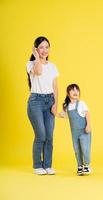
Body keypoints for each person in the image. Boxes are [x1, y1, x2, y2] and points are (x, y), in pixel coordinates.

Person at [26, 36, 59, 175]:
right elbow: (38, 72)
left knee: (49, 136)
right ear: (36, 49)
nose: (44, 50)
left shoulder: (53, 66)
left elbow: (55, 87)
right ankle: (37, 166)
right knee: (41, 134)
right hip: (36, 102)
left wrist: (56, 104)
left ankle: (48, 165)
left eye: (46, 47)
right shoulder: (31, 64)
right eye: (41, 47)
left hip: (49, 101)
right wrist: (36, 57)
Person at [57, 84, 92, 176]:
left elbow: (87, 113)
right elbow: (62, 115)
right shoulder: (66, 105)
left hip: (84, 131)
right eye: (73, 90)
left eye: (77, 90)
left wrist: (88, 125)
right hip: (74, 133)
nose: (75, 91)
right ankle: (80, 166)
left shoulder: (81, 103)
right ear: (68, 93)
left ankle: (87, 165)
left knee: (85, 148)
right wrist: (53, 113)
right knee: (77, 149)